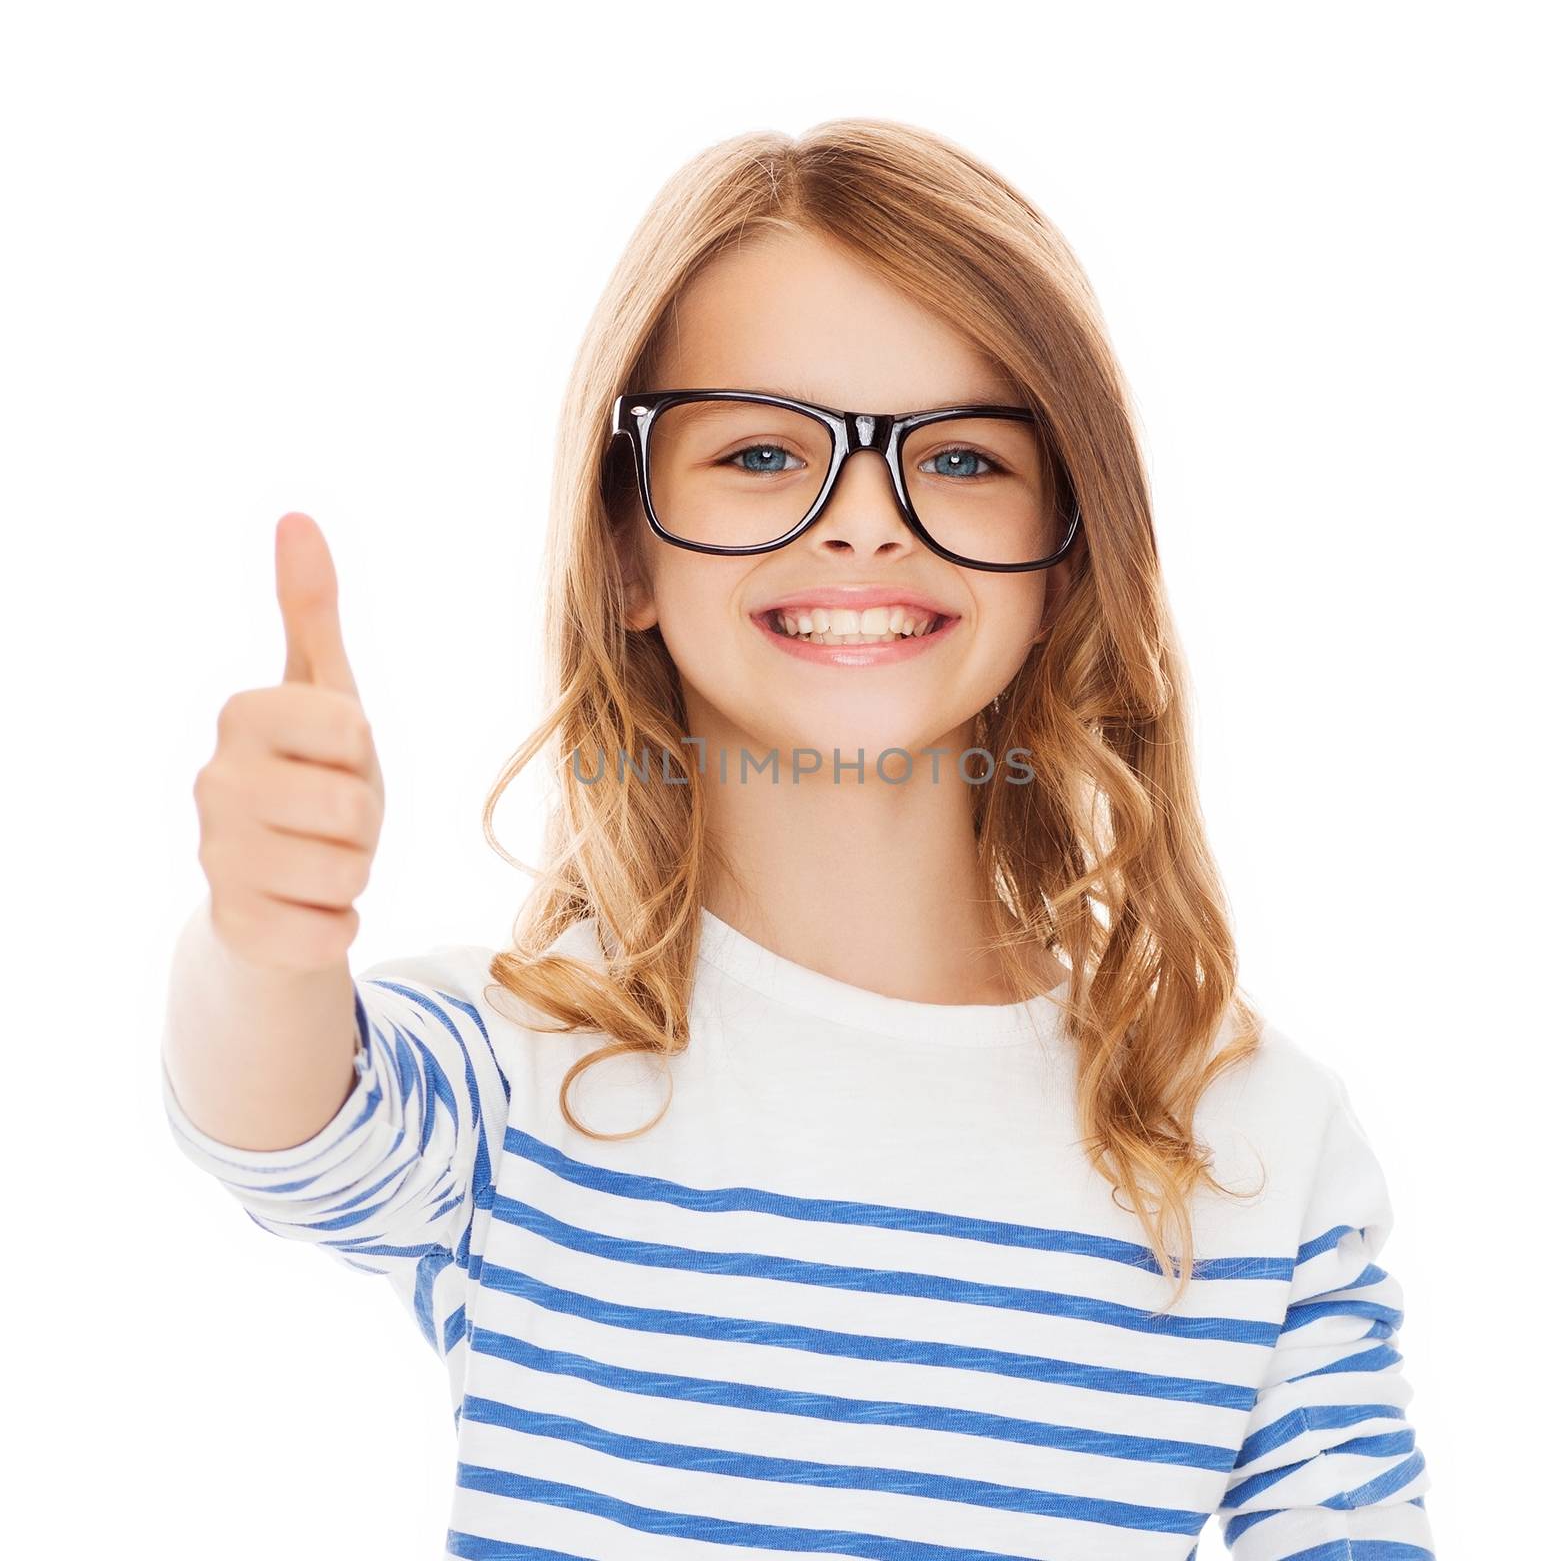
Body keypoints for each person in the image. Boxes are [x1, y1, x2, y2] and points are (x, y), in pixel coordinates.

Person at [161, 118, 1435, 1559]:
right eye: (765, 452)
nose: (867, 524)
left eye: (960, 459)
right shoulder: (517, 1076)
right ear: (628, 548)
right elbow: (278, 1126)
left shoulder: (1258, 1143)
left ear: (1066, 558)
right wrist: (261, 938)